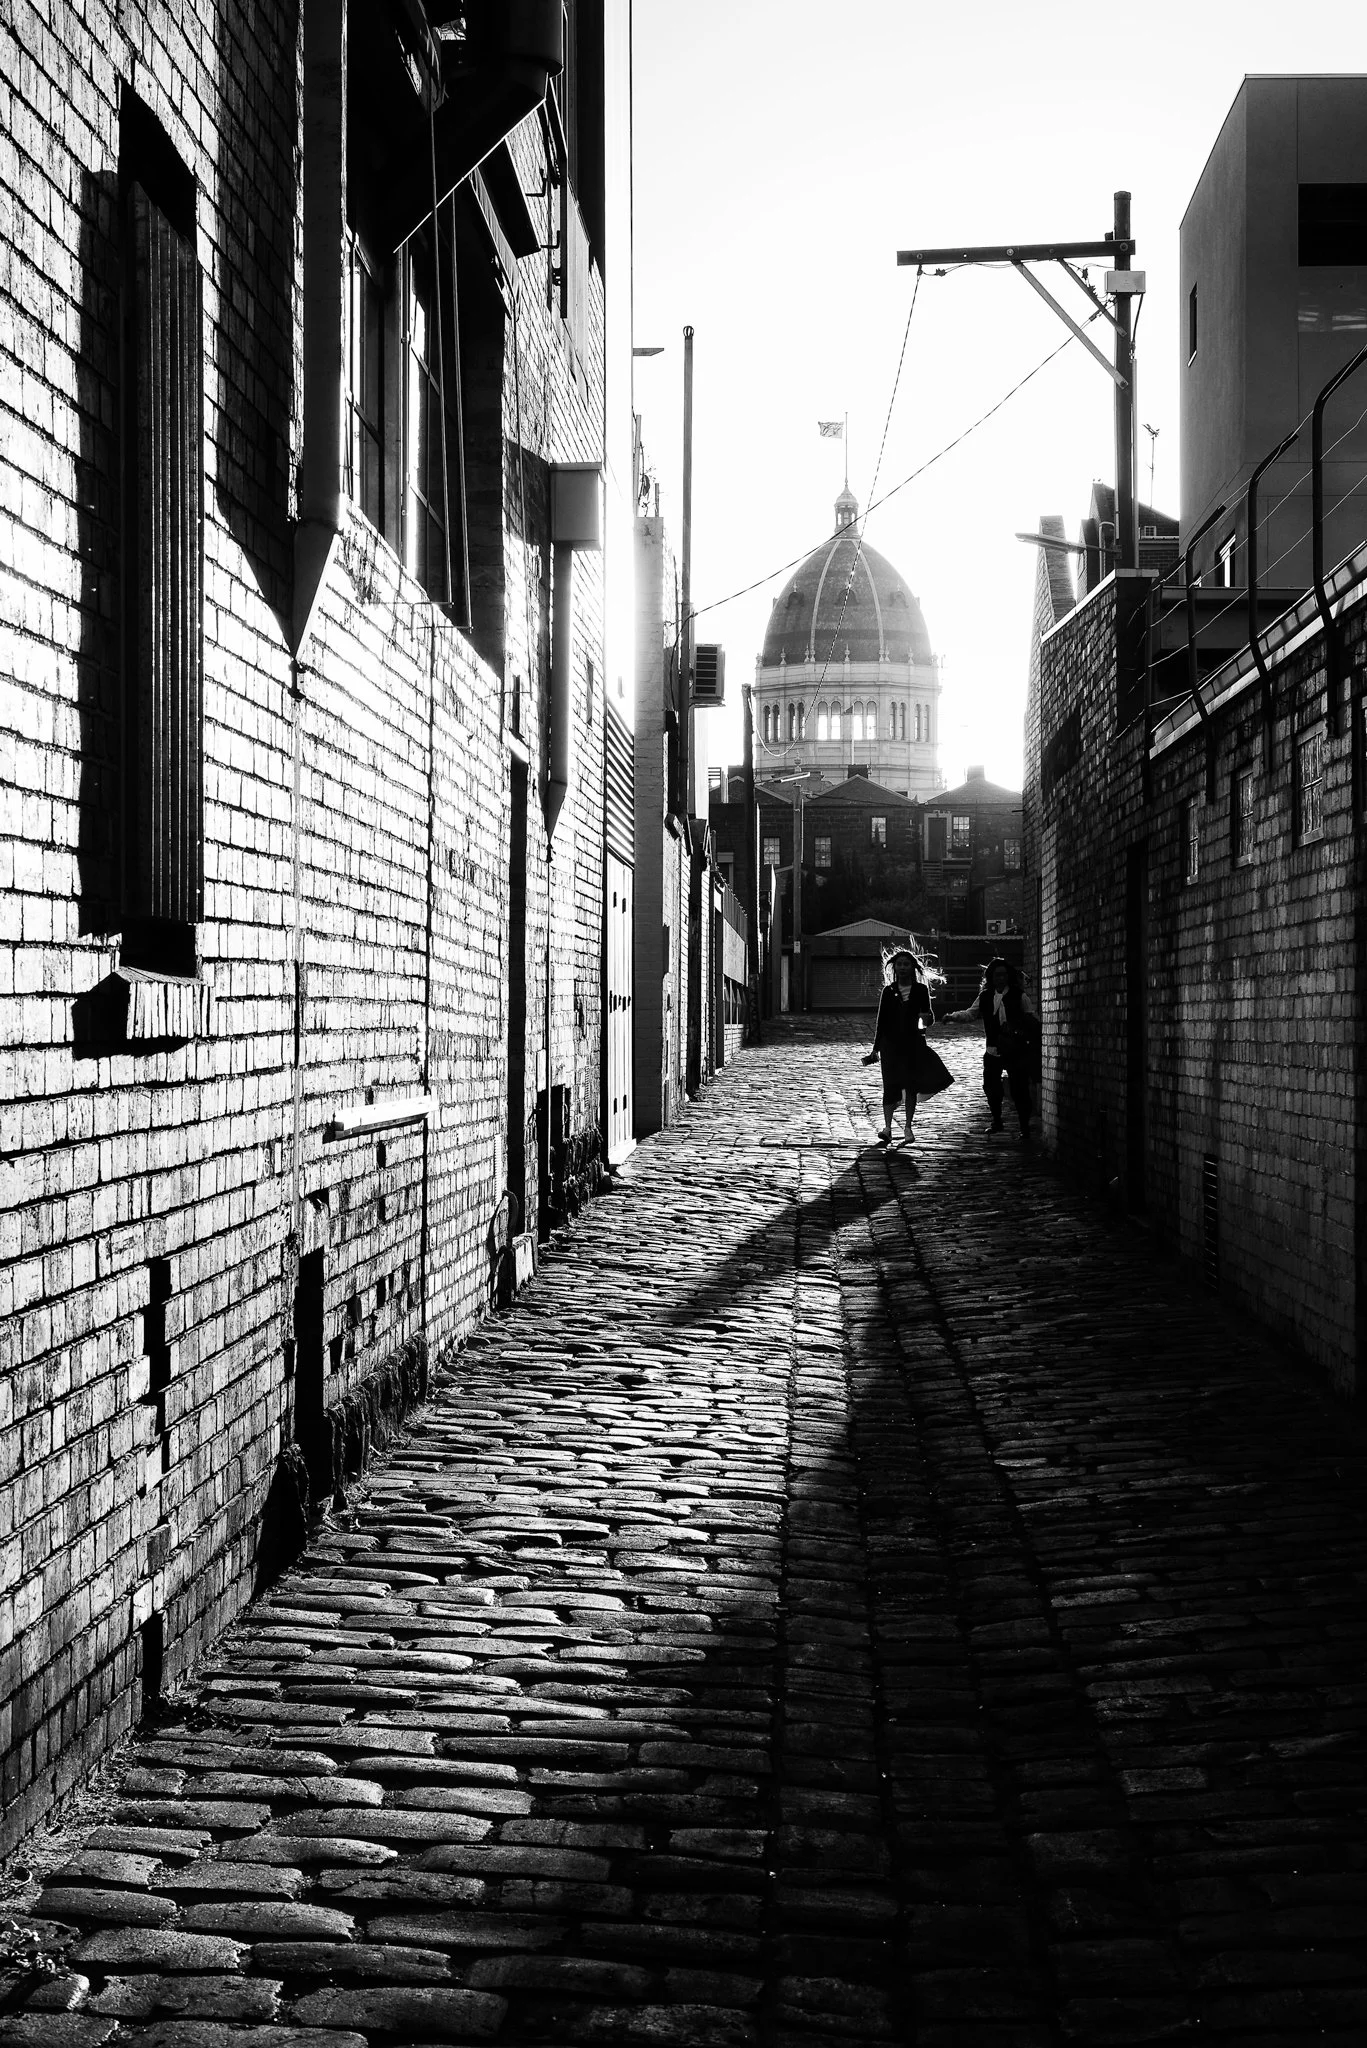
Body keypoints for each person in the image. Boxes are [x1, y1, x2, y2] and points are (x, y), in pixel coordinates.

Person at [947, 956, 1039, 1139]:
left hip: (1015, 1050)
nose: (1001, 979)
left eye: (1004, 975)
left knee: (1019, 1090)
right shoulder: (985, 996)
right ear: (991, 977)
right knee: (991, 1087)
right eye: (997, 975)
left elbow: (1031, 1019)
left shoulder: (1019, 996)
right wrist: (953, 1017)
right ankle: (997, 1121)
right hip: (993, 1050)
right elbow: (970, 1014)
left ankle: (1024, 1127)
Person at [861, 948, 934, 1145]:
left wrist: (926, 1021)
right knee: (890, 1085)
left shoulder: (921, 990)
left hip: (912, 1044)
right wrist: (875, 1048)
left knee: (910, 1086)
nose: (902, 967)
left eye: (906, 964)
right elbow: (881, 1021)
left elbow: (929, 1017)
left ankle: (908, 1127)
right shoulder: (888, 991)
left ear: (912, 968)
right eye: (899, 964)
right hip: (890, 1046)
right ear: (894, 967)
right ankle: (887, 1128)